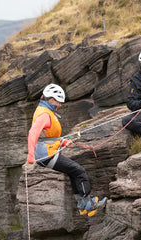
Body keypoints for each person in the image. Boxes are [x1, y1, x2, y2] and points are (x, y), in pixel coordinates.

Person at [27, 84, 107, 217]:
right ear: (52, 100)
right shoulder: (44, 115)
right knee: (79, 171)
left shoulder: (44, 110)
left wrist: (63, 141)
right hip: (47, 155)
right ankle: (88, 202)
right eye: (58, 102)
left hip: (46, 152)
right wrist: (30, 156)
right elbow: (32, 133)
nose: (60, 105)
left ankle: (82, 204)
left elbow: (48, 136)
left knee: (73, 172)